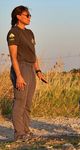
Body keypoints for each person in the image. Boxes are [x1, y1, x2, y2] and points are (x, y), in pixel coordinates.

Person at [7, 5, 47, 142]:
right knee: (20, 101)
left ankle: (26, 131)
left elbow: (33, 54)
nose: (30, 17)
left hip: (30, 68)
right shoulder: (13, 33)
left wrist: (38, 70)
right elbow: (13, 57)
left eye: (30, 15)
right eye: (27, 15)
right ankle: (19, 134)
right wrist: (18, 75)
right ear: (18, 16)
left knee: (28, 103)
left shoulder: (30, 33)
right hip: (21, 67)